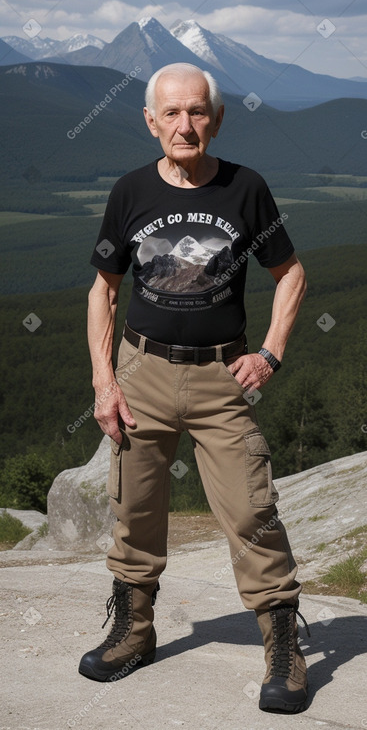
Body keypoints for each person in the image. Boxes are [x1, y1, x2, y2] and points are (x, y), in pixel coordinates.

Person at [79, 62, 309, 714]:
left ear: (215, 119)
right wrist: (103, 382)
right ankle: (134, 630)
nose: (185, 125)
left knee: (249, 510)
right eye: (171, 113)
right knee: (136, 508)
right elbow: (104, 289)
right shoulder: (129, 192)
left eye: (197, 112)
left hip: (220, 376)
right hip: (140, 371)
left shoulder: (245, 190)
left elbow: (289, 274)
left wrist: (270, 353)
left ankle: (283, 645)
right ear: (150, 122)